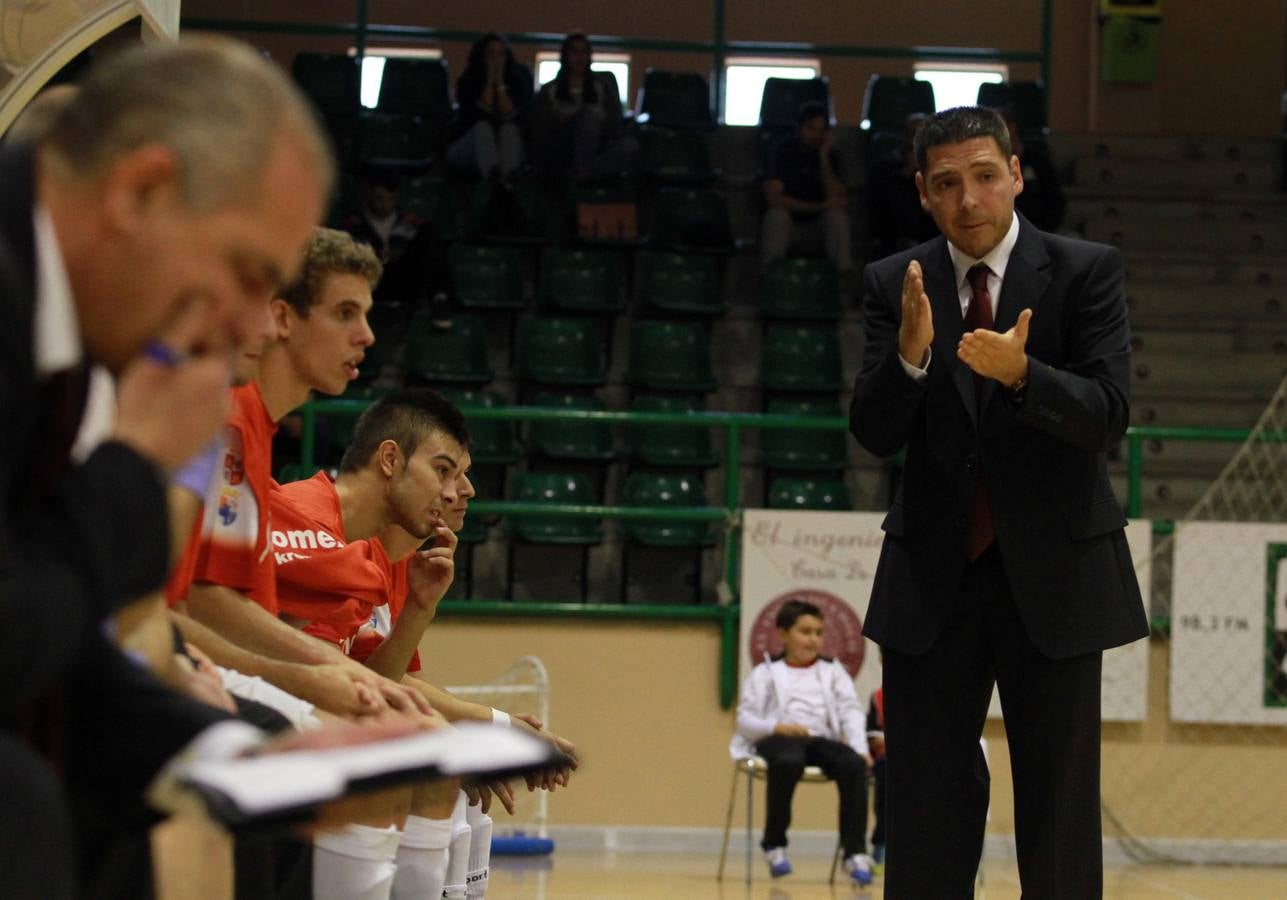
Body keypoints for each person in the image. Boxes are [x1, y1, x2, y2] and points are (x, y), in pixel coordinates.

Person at [0, 37, 333, 896]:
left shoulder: (70, 324)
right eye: (246, 273)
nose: (247, 322)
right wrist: (135, 467)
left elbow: (61, 646)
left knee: (172, 794)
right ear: (141, 189)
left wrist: (247, 756)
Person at [848, 105, 1147, 898]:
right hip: (931, 580)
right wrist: (909, 358)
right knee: (924, 806)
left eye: (985, 176)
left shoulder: (1086, 271)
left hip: (1055, 573)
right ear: (922, 192)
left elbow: (1108, 415)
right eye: (946, 183)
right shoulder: (894, 283)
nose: (968, 199)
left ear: (1016, 174)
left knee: (1057, 804)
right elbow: (874, 434)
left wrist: (1023, 377)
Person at [732, 599, 875, 886]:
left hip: (818, 739)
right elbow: (744, 720)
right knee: (788, 761)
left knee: (852, 764)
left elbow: (850, 711)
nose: (813, 639)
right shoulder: (766, 673)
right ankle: (775, 845)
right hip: (778, 738)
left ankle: (855, 852)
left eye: (819, 633)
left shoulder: (833, 672)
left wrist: (860, 748)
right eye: (805, 632)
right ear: (783, 634)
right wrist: (777, 726)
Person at [760, 100, 853, 275]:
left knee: (837, 218)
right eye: (811, 128)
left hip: (820, 228)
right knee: (776, 217)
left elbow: (838, 198)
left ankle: (842, 287)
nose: (816, 135)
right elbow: (774, 200)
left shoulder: (833, 156)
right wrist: (820, 206)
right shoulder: (782, 153)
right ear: (799, 128)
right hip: (791, 227)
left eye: (822, 130)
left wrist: (824, 158)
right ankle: (770, 281)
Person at [531, 33, 637, 181]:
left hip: (599, 147)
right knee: (588, 116)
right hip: (563, 147)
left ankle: (582, 172)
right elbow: (540, 129)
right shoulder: (550, 90)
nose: (579, 57)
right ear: (565, 55)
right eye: (574, 51)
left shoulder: (602, 87)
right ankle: (581, 171)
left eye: (584, 52)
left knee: (629, 147)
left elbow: (615, 126)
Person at [446, 33, 532, 181]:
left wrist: (499, 83)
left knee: (509, 129)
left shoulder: (517, 81)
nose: (496, 59)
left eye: (501, 54)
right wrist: (490, 79)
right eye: (491, 53)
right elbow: (479, 113)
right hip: (468, 148)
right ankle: (492, 181)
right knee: (483, 128)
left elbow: (511, 114)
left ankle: (506, 185)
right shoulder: (468, 81)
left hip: (506, 148)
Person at [865, 111, 939, 260]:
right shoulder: (885, 167)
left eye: (923, 135)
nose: (917, 140)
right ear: (905, 136)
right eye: (913, 133)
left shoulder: (939, 167)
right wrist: (907, 173)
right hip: (892, 237)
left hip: (928, 234)